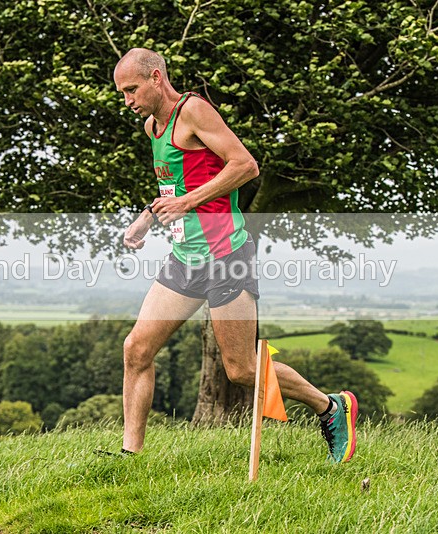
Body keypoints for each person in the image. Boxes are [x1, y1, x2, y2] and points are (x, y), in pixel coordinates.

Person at [113, 48, 357, 463]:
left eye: (132, 90)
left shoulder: (194, 111)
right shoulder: (154, 128)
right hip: (185, 258)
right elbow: (177, 187)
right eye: (122, 93)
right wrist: (147, 217)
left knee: (242, 369)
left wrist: (188, 203)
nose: (128, 101)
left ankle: (332, 407)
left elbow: (245, 165)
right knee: (136, 349)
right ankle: (129, 456)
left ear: (157, 78)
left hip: (226, 256)